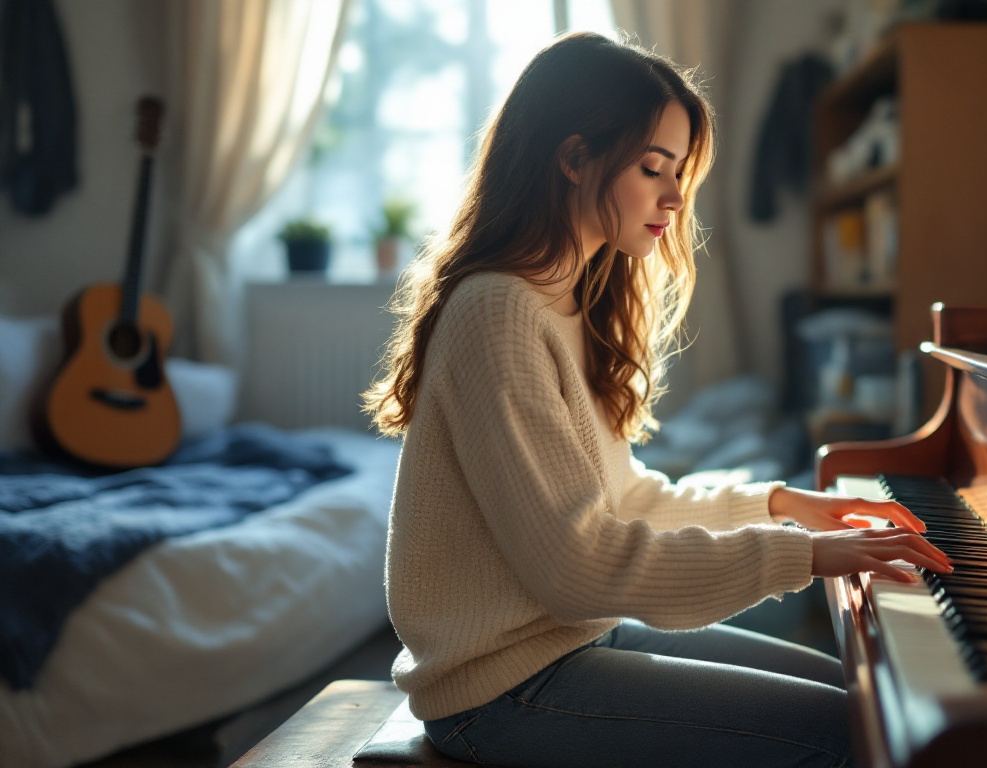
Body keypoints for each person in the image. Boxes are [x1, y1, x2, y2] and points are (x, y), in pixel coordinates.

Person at [364, 32, 951, 768]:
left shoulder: (564, 300)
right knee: (853, 737)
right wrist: (805, 555)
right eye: (652, 169)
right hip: (500, 688)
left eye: (679, 173)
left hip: (572, 638)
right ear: (574, 158)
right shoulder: (497, 312)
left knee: (864, 699)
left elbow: (625, 500)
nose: (676, 199)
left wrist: (780, 504)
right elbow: (580, 566)